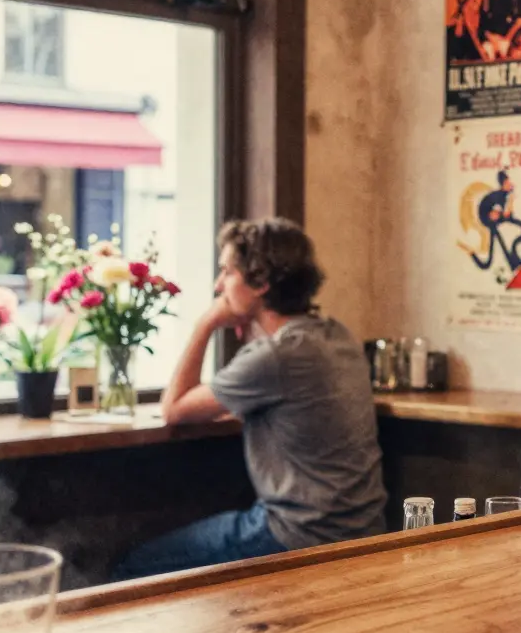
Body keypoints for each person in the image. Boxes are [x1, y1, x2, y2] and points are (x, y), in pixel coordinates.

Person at [112, 219, 386, 580]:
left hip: (300, 535)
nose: (218, 285)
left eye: (227, 272)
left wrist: (206, 323)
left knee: (134, 567)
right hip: (365, 529)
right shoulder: (337, 336)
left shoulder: (275, 356)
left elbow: (173, 409)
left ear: (260, 282)